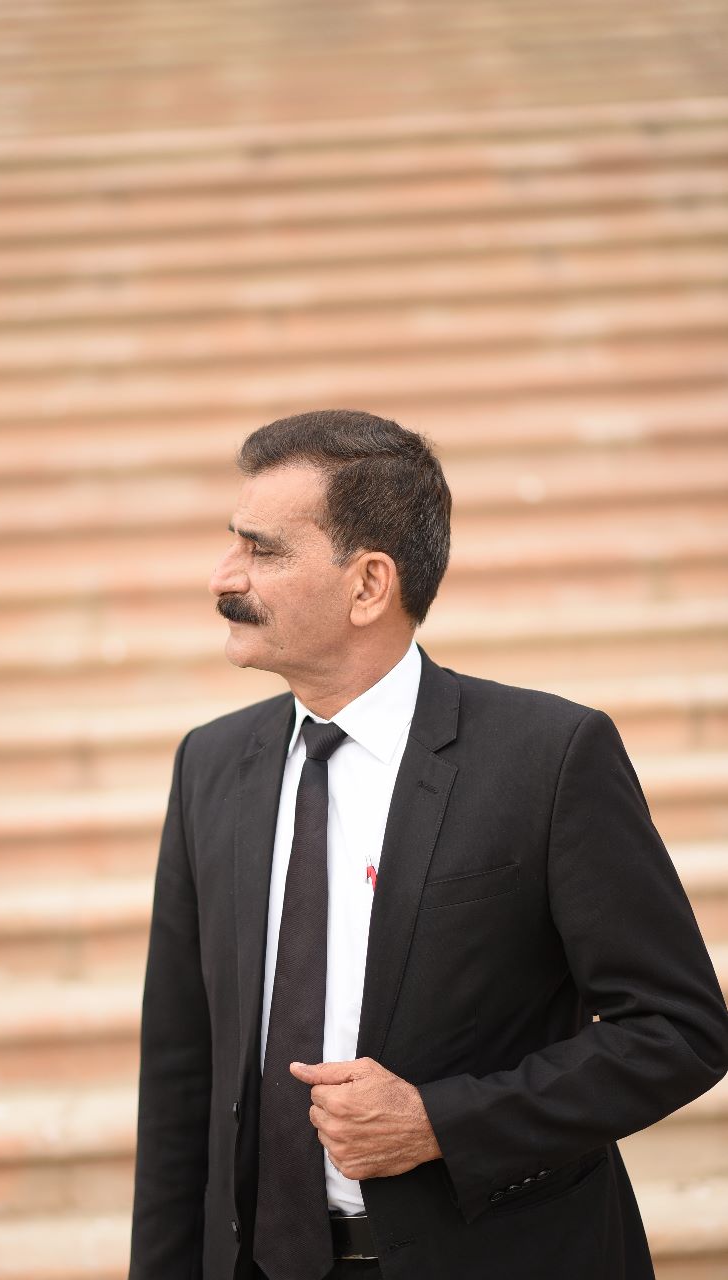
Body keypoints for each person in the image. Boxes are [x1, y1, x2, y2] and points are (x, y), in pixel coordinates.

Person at [126, 409, 728, 1280]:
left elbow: (677, 1031)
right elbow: (180, 1075)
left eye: (262, 550)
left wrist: (442, 1123)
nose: (224, 575)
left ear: (369, 585)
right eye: (233, 542)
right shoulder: (210, 765)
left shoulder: (549, 757)